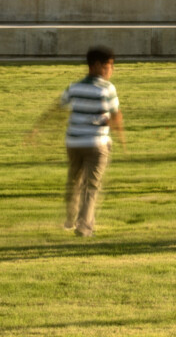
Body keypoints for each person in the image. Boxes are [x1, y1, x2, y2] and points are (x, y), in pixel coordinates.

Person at [26, 46, 124, 238]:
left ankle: (70, 220)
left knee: (74, 181)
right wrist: (120, 135)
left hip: (73, 142)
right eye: (109, 65)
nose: (111, 70)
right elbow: (116, 116)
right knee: (91, 186)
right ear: (96, 65)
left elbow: (57, 108)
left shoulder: (74, 87)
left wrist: (38, 128)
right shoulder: (107, 89)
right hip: (96, 143)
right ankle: (84, 227)